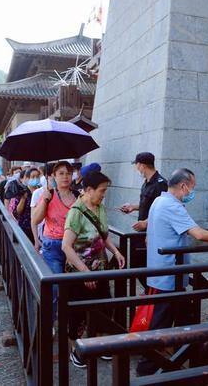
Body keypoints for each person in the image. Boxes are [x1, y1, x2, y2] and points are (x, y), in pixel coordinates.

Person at [136, 168, 208, 376]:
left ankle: (196, 353)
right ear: (183, 186)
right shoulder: (172, 205)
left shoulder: (159, 201)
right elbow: (198, 233)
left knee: (185, 317)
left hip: (165, 273)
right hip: (168, 277)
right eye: (192, 187)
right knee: (161, 325)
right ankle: (146, 370)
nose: (192, 192)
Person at [62, 171, 126, 368]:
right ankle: (77, 349)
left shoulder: (100, 208)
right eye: (102, 191)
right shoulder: (75, 212)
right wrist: (84, 271)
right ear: (88, 190)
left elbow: (103, 235)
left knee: (104, 308)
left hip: (100, 268)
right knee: (78, 314)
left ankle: (99, 344)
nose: (104, 195)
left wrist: (116, 251)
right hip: (79, 272)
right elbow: (66, 247)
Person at [32, 161, 78, 318]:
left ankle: (70, 322)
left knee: (72, 288)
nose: (65, 177)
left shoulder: (78, 196)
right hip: (53, 246)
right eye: (61, 173)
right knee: (55, 288)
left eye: (68, 173)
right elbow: (36, 220)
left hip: (74, 246)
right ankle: (49, 322)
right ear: (53, 176)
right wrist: (45, 200)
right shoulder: (48, 195)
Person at [121, 152, 168, 232]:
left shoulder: (161, 184)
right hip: (143, 230)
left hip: (154, 231)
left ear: (142, 165)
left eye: (137, 165)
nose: (137, 169)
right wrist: (133, 207)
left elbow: (163, 210)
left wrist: (146, 222)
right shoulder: (146, 183)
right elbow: (149, 204)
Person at [13, 169, 37, 242]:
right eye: (33, 177)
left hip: (38, 228)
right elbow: (17, 213)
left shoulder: (41, 191)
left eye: (37, 176)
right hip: (25, 228)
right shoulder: (23, 191)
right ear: (27, 178)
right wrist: (23, 198)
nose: (35, 179)